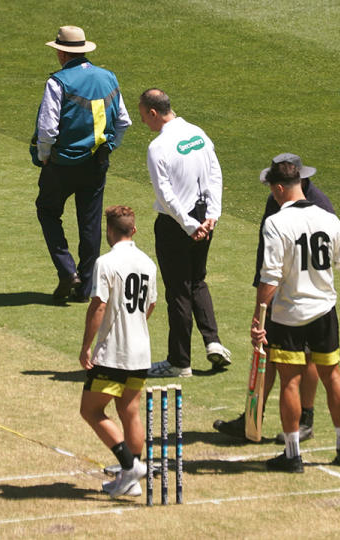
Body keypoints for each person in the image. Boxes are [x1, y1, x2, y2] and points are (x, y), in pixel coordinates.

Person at [213, 153, 334, 443]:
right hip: (278, 294)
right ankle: (252, 416)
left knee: (306, 359)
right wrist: (262, 291)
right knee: (265, 353)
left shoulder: (320, 206)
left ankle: (306, 419)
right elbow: (266, 251)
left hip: (304, 299)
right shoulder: (276, 201)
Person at [253, 157, 340, 472]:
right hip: (324, 311)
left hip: (288, 315)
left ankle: (292, 455)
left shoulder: (276, 223)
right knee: (333, 376)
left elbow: (270, 277)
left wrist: (259, 317)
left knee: (290, 382)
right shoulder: (328, 218)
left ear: (278, 188)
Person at [32, 25, 131, 303]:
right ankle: (85, 287)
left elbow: (48, 129)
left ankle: (67, 271)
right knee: (89, 223)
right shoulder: (108, 77)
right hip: (96, 162)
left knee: (48, 212)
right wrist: (109, 147)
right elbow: (123, 121)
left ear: (62, 53)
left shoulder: (58, 82)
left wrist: (44, 156)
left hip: (61, 164)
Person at [138, 88, 231, 378]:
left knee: (178, 290)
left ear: (154, 113)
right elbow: (215, 175)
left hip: (177, 225)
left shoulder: (158, 147)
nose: (144, 123)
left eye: (144, 117)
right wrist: (212, 214)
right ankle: (212, 341)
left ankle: (179, 362)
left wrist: (189, 224)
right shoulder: (198, 134)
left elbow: (165, 195)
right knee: (198, 280)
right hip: (206, 218)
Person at [79, 205, 157, 497]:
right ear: (133, 230)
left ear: (109, 232)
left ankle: (130, 466)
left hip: (114, 353)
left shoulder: (106, 262)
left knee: (91, 410)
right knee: (129, 411)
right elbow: (149, 305)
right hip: (140, 352)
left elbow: (99, 305)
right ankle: (131, 479)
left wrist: (87, 346)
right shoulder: (148, 263)